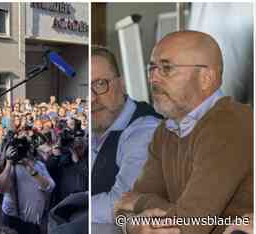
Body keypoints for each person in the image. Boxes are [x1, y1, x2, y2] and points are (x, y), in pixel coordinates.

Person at [114, 31, 253, 234]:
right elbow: (119, 211)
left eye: (166, 68)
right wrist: (131, 225)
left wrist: (140, 204)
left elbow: (188, 226)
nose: (153, 78)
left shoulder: (229, 124)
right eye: (152, 68)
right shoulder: (165, 130)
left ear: (206, 78)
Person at [91, 46, 162, 223]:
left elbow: (122, 204)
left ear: (121, 84)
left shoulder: (145, 130)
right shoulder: (99, 125)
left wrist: (76, 205)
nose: (92, 98)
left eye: (100, 84)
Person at [0, 139, 55, 234]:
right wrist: (8, 163)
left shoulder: (39, 165)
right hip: (13, 221)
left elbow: (50, 187)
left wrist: (32, 171)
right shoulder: (7, 167)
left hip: (34, 223)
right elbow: (1, 189)